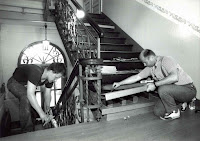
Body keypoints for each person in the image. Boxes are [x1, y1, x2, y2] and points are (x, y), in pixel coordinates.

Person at [113, 49, 196, 120]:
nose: (144, 65)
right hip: (174, 91)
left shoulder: (166, 60)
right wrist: (120, 83)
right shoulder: (151, 68)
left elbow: (174, 77)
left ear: (151, 58)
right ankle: (182, 103)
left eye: (145, 62)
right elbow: (137, 77)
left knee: (162, 89)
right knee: (158, 111)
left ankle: (175, 111)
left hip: (188, 89)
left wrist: (155, 85)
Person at [7, 63, 66, 132]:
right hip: (14, 83)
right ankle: (27, 131)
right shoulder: (36, 71)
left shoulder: (49, 78)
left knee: (32, 103)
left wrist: (47, 107)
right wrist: (42, 115)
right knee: (26, 97)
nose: (55, 80)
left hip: (25, 85)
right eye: (56, 77)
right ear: (51, 71)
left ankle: (31, 127)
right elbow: (30, 94)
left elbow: (47, 94)